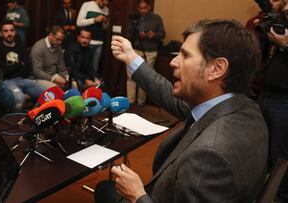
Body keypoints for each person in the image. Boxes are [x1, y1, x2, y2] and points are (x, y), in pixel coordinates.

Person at [95, 19, 268, 203]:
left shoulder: (208, 158)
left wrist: (138, 196)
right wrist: (132, 58)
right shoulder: (245, 108)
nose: (173, 62)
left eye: (185, 55)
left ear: (216, 69)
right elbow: (172, 97)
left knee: (105, 190)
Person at [256, 0, 288, 201]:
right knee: (260, 147)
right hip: (265, 94)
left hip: (284, 101)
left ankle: (282, 196)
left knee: (279, 154)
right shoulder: (281, 22)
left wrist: (285, 44)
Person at [0, 20, 44, 112]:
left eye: (12, 30)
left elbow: (27, 66)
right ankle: (15, 121)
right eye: (6, 31)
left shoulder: (20, 44)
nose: (9, 33)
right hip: (8, 81)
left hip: (24, 79)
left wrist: (11, 67)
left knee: (47, 94)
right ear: (1, 34)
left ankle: (35, 114)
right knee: (19, 99)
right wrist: (18, 64)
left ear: (15, 32)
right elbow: (1, 71)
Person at [126, 0, 165, 105]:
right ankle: (130, 102)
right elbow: (128, 34)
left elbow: (162, 34)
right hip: (135, 50)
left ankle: (140, 102)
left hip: (150, 52)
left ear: (149, 7)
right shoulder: (135, 19)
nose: (143, 10)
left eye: (145, 8)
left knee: (145, 78)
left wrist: (153, 35)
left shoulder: (156, 18)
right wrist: (137, 34)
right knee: (131, 77)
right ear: (138, 8)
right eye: (140, 8)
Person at [76, 0, 110, 74]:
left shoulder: (106, 9)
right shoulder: (87, 5)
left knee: (94, 68)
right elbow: (78, 23)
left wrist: (106, 22)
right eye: (103, 4)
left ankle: (92, 84)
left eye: (106, 5)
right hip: (87, 41)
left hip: (99, 42)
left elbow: (103, 28)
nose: (104, 6)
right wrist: (94, 20)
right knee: (83, 66)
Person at [30, 26, 69, 90]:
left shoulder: (58, 48)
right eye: (57, 39)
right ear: (50, 35)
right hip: (38, 78)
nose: (60, 42)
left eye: (61, 40)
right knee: (56, 88)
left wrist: (67, 77)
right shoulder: (38, 48)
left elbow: (62, 68)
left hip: (54, 75)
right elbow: (37, 72)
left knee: (72, 84)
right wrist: (53, 79)